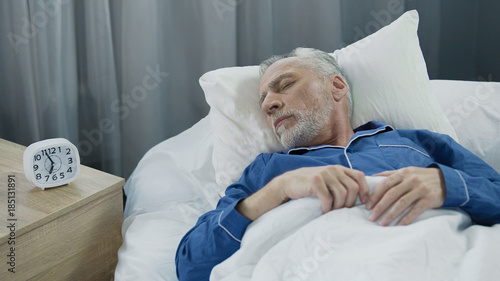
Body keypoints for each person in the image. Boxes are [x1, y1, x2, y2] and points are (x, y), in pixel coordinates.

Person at [175, 48, 500, 280]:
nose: (270, 104)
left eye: (285, 85)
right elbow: (191, 265)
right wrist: (278, 189)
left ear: (337, 86)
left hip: (442, 255)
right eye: (264, 103)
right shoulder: (267, 170)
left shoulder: (415, 141)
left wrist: (447, 184)